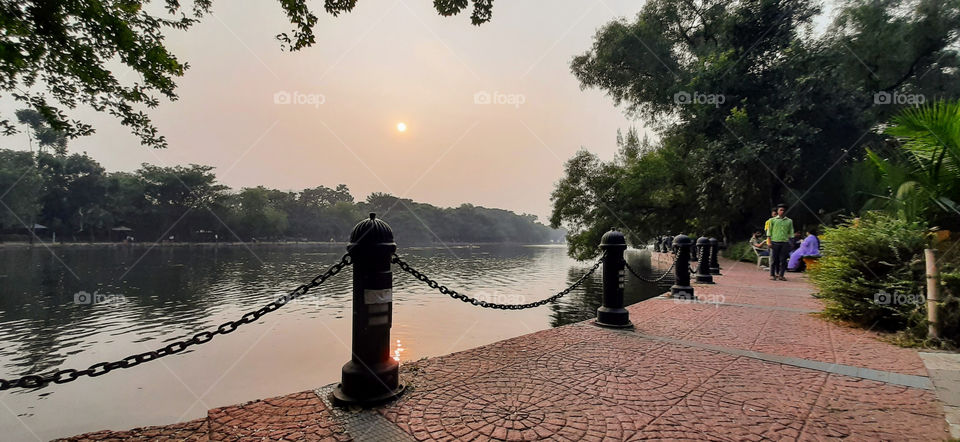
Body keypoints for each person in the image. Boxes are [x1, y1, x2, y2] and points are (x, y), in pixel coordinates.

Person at [766, 203, 794, 281]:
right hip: (774, 242)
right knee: (774, 259)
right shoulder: (772, 220)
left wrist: (791, 241)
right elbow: (769, 232)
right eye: (781, 210)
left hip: (784, 242)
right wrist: (769, 242)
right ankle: (772, 274)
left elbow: (791, 231)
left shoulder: (789, 221)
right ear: (778, 211)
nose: (782, 211)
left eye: (784, 210)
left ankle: (781, 275)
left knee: (783, 260)